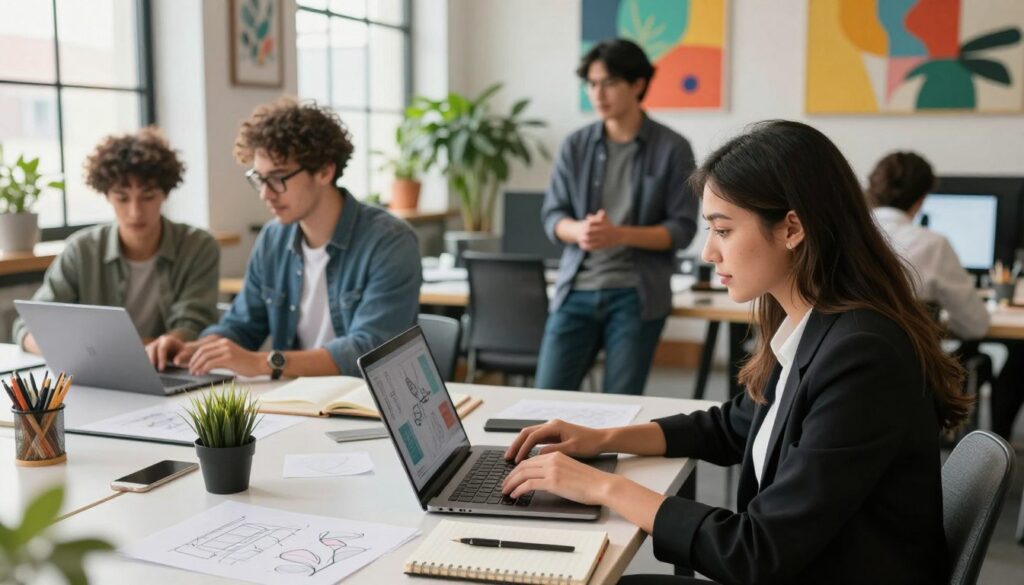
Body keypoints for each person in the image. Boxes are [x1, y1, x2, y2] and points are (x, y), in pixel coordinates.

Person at [502, 121, 968, 584]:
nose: (708, 252)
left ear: (792, 228)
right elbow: (730, 426)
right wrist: (603, 439)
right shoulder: (815, 325)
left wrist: (602, 486)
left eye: (722, 230)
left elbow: (756, 553)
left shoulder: (862, 356)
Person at [152, 98, 421, 379]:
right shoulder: (273, 239)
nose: (265, 193)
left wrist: (265, 363)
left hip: (364, 401)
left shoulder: (390, 241)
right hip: (295, 402)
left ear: (324, 171)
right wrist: (193, 349)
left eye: (278, 178)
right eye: (259, 178)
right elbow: (242, 326)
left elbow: (368, 350)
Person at [536, 38, 698, 395]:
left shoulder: (673, 147)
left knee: (618, 407)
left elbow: (682, 229)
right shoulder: (575, 145)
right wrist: (578, 231)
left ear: (637, 84)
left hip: (635, 294)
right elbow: (553, 216)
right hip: (575, 290)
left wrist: (619, 235)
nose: (598, 93)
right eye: (592, 84)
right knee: (545, 397)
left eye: (609, 83)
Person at [12, 127, 219, 355]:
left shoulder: (198, 246)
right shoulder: (81, 249)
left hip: (167, 370)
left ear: (165, 193)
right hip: (93, 370)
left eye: (148, 197)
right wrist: (56, 346)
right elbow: (28, 325)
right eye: (122, 198)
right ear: (106, 195)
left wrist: (165, 346)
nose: (135, 212)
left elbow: (192, 324)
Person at [866, 151, 989, 339]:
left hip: (841, 360)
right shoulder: (933, 245)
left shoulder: (843, 236)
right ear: (922, 198)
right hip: (910, 362)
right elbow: (976, 325)